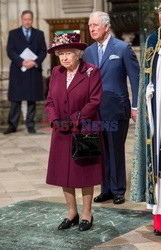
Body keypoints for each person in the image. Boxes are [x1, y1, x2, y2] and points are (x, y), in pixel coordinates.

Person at [45, 32, 104, 231]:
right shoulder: (56, 72)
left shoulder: (91, 72)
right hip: (60, 131)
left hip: (84, 129)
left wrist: (72, 121)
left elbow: (94, 101)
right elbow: (50, 101)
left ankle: (87, 213)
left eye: (68, 53)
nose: (64, 57)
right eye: (61, 53)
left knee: (85, 172)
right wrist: (54, 120)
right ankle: (72, 212)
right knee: (63, 173)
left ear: (78, 54)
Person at [83, 11, 139, 204]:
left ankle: (118, 190)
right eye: (90, 25)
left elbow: (135, 79)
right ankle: (105, 189)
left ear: (106, 27)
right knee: (100, 151)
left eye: (95, 25)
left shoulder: (123, 48)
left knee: (115, 150)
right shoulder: (89, 51)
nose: (92, 29)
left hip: (116, 109)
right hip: (94, 112)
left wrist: (136, 107)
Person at [131, 4, 161, 236]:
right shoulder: (152, 40)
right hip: (156, 109)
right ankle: (159, 218)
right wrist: (147, 93)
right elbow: (145, 77)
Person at [4, 10, 47, 134]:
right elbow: (10, 50)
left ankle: (30, 125)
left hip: (33, 71)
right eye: (25, 19)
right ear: (21, 19)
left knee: (31, 100)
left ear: (32, 20)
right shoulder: (13, 34)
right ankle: (12, 125)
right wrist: (22, 61)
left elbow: (43, 51)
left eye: (29, 19)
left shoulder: (39, 34)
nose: (27, 21)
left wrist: (34, 62)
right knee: (15, 100)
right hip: (18, 70)